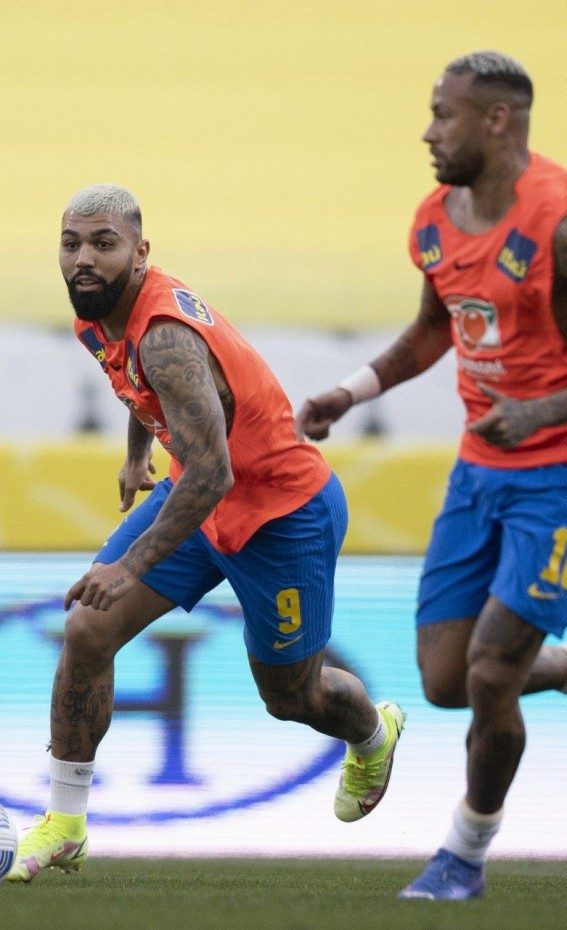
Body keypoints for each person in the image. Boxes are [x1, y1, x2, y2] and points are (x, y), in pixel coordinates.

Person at [297, 51, 567, 901]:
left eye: (443, 114)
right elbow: (436, 325)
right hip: (482, 465)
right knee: (443, 680)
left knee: (492, 674)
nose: (429, 133)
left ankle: (462, 854)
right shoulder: (436, 217)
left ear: (497, 121)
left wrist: (538, 414)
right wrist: (352, 392)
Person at [7, 184, 405, 883]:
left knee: (292, 698)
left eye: (103, 243)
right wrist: (137, 453)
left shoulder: (166, 335)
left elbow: (214, 470)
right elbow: (141, 385)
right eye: (71, 244)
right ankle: (65, 823)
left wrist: (129, 567)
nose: (82, 259)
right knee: (86, 631)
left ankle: (375, 733)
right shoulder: (99, 311)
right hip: (197, 491)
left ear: (140, 252)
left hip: (280, 516)